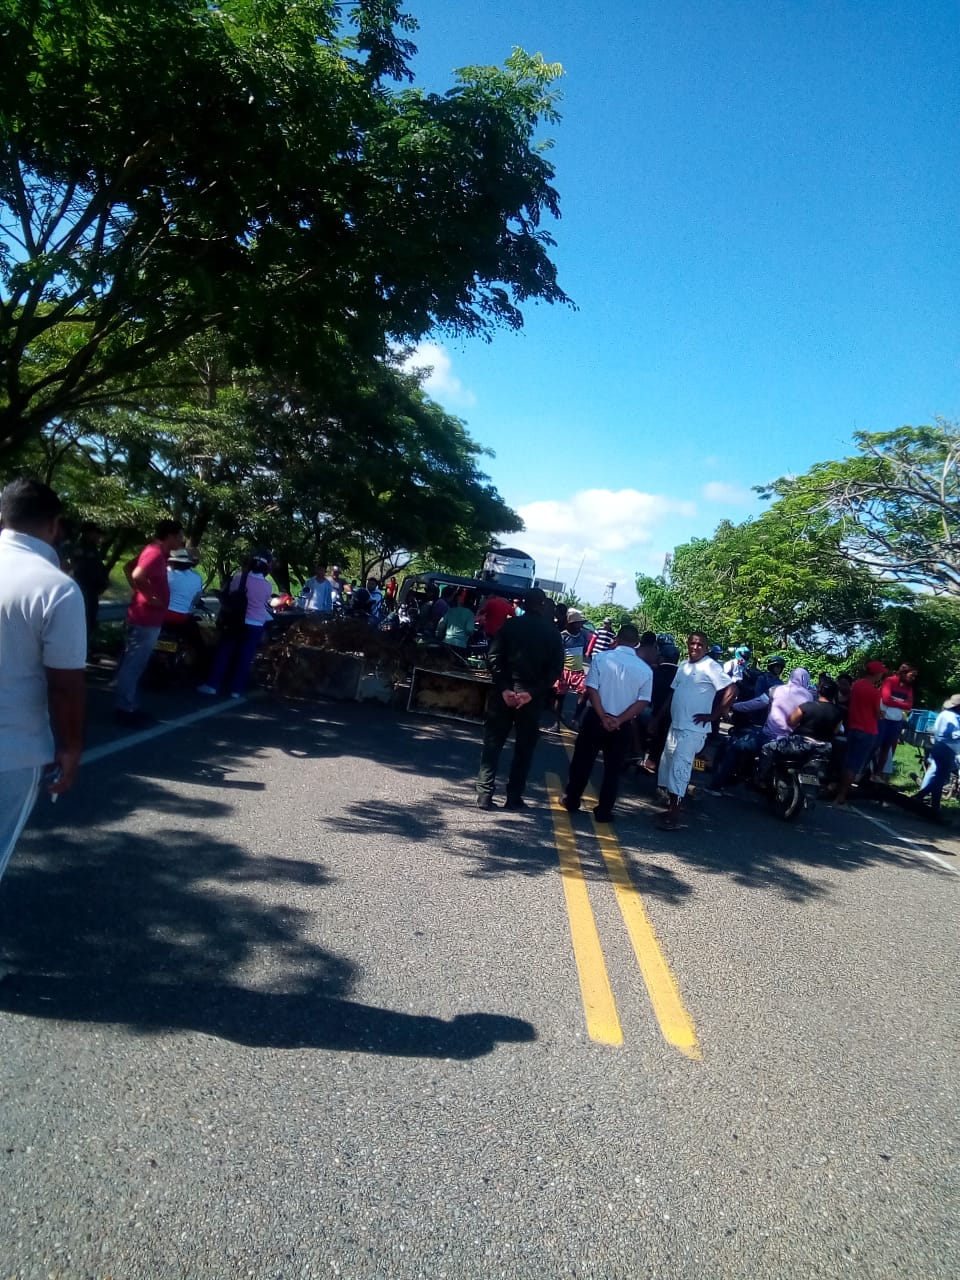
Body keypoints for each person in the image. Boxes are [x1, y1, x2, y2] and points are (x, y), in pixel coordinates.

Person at [0, 479, 87, 884]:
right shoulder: (57, 588)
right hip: (12, 752)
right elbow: (65, 685)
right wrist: (70, 747)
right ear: (54, 525)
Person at [476, 588, 564, 811]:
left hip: (504, 694)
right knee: (524, 750)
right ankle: (513, 797)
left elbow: (493, 657)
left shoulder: (509, 625)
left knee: (493, 744)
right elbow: (555, 670)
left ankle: (484, 794)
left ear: (523, 604)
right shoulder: (553, 634)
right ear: (543, 605)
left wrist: (505, 688)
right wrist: (531, 693)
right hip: (531, 699)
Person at [560, 625, 653, 823]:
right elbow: (643, 701)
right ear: (637, 643)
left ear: (617, 638)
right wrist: (619, 720)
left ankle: (572, 800)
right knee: (613, 770)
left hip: (596, 718)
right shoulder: (645, 670)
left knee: (582, 761)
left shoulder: (602, 658)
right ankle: (604, 811)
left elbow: (592, 689)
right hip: (622, 724)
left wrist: (603, 716)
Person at [654, 633, 735, 830]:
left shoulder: (710, 666)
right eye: (692, 643)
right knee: (667, 765)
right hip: (676, 726)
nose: (695, 647)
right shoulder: (684, 666)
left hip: (693, 729)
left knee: (679, 769)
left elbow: (732, 689)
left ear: (705, 647)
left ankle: (675, 815)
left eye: (700, 644)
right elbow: (673, 693)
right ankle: (670, 806)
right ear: (687, 644)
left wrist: (714, 715)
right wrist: (657, 718)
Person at [114, 519, 185, 726]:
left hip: (147, 617)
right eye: (180, 536)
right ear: (170, 535)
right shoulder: (154, 553)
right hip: (145, 619)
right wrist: (150, 598)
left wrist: (140, 593)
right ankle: (125, 709)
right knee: (134, 665)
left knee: (134, 663)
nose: (181, 540)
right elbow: (137, 574)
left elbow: (129, 567)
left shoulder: (154, 552)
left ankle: (128, 704)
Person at [707, 667, 814, 795]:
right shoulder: (809, 697)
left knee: (734, 747)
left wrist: (733, 706)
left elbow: (755, 703)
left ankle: (716, 786)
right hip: (792, 741)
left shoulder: (776, 690)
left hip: (768, 736)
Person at [198, 552, 274, 698]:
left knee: (224, 651)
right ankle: (236, 690)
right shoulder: (267, 586)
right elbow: (264, 603)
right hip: (256, 624)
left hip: (235, 621)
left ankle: (212, 685)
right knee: (245, 656)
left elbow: (230, 595)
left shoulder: (238, 578)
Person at [756, 675, 843, 782]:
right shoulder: (839, 712)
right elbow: (835, 731)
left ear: (819, 691)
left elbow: (791, 722)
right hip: (822, 749)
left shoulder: (806, 706)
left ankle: (762, 780)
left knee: (767, 748)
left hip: (800, 745)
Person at [833, 660, 888, 805]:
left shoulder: (856, 685)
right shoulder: (874, 692)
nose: (881, 676)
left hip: (853, 727)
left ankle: (838, 790)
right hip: (868, 730)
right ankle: (841, 796)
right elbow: (877, 713)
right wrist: (881, 714)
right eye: (881, 673)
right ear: (876, 673)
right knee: (854, 765)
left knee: (847, 761)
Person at [913, 695, 960, 816]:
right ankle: (920, 798)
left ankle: (933, 806)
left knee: (938, 777)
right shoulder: (954, 718)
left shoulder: (943, 714)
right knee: (941, 779)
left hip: (938, 746)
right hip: (947, 749)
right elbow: (955, 734)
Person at [69, 521, 110, 655]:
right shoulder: (80, 548)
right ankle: (79, 652)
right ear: (88, 533)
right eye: (96, 533)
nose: (98, 537)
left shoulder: (93, 549)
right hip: (83, 591)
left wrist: (103, 582)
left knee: (90, 622)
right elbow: (79, 569)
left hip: (92, 592)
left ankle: (85, 650)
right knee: (83, 622)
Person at [874, 663, 917, 779]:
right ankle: (863, 771)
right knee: (874, 745)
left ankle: (878, 774)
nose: (913, 678)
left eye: (914, 676)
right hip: (883, 719)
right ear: (904, 673)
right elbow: (886, 699)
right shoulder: (890, 681)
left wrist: (894, 701)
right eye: (911, 675)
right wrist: (901, 703)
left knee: (886, 748)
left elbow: (909, 705)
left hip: (896, 721)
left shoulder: (909, 688)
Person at [549, 608, 589, 731]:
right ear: (570, 624)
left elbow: (584, 650)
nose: (580, 626)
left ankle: (575, 719)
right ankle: (556, 722)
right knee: (559, 697)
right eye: (577, 624)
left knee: (586, 692)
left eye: (580, 623)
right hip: (564, 671)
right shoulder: (563, 636)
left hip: (578, 671)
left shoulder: (583, 635)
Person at [164, 547, 206, 655]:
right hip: (182, 618)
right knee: (198, 643)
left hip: (162, 616)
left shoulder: (167, 575)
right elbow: (196, 600)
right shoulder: (197, 578)